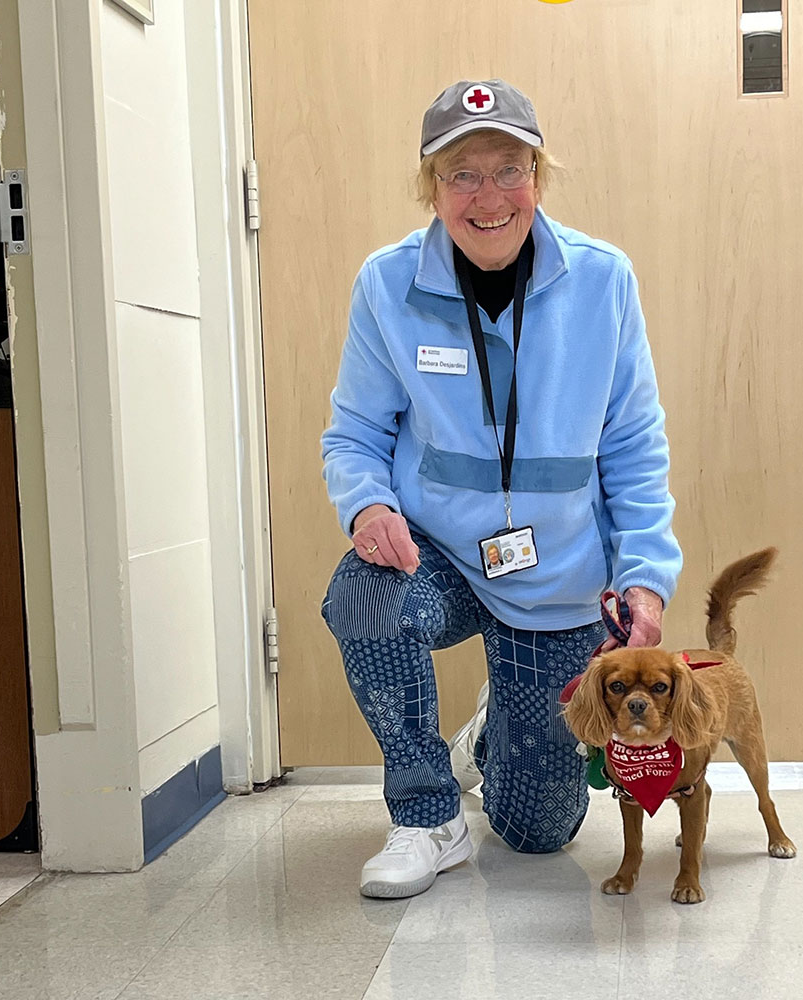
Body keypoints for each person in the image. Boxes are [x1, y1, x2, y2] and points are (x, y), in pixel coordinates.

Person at [321, 79, 682, 899]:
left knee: (539, 832)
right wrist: (368, 503)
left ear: (539, 177)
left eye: (509, 169)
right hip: (438, 555)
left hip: (556, 576)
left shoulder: (603, 280)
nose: (489, 198)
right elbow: (355, 435)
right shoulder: (387, 285)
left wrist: (644, 577)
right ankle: (425, 813)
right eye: (462, 175)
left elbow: (633, 445)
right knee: (363, 597)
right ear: (432, 189)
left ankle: (495, 732)